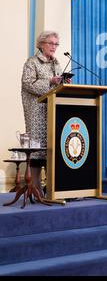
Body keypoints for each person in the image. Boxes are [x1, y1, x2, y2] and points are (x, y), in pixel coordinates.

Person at [21, 31, 68, 194]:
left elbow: (58, 86)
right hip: (36, 112)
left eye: (56, 44)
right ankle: (35, 188)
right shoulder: (32, 62)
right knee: (37, 151)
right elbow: (27, 84)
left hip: (53, 112)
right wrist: (49, 81)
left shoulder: (56, 63)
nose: (54, 47)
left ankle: (53, 188)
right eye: (51, 43)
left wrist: (64, 82)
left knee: (53, 149)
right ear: (41, 44)